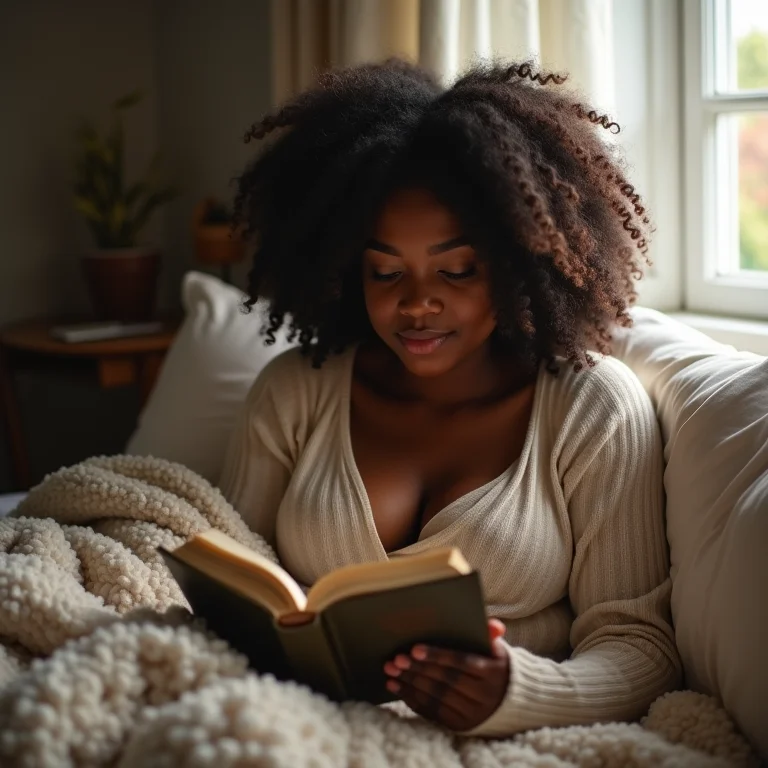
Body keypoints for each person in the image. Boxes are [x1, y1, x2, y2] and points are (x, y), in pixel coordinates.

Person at [219, 59, 682, 737]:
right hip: (297, 723)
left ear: (519, 259)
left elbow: (640, 646)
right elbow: (232, 579)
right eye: (385, 272)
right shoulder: (295, 391)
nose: (417, 303)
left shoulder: (593, 409)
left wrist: (517, 692)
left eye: (457, 270)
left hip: (502, 738)